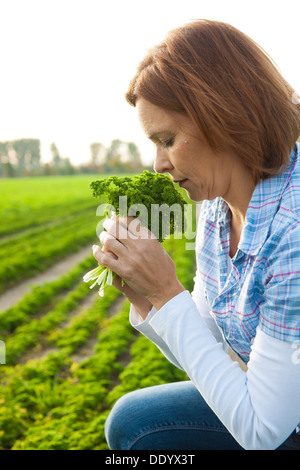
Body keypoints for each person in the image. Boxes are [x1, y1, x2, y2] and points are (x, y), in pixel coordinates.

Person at [93, 19, 300, 450]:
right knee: (134, 422)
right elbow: (204, 349)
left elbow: (264, 432)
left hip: (282, 423)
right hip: (274, 411)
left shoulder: (293, 235)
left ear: (221, 117)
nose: (158, 165)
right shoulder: (215, 210)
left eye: (167, 139)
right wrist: (145, 295)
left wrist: (168, 291)